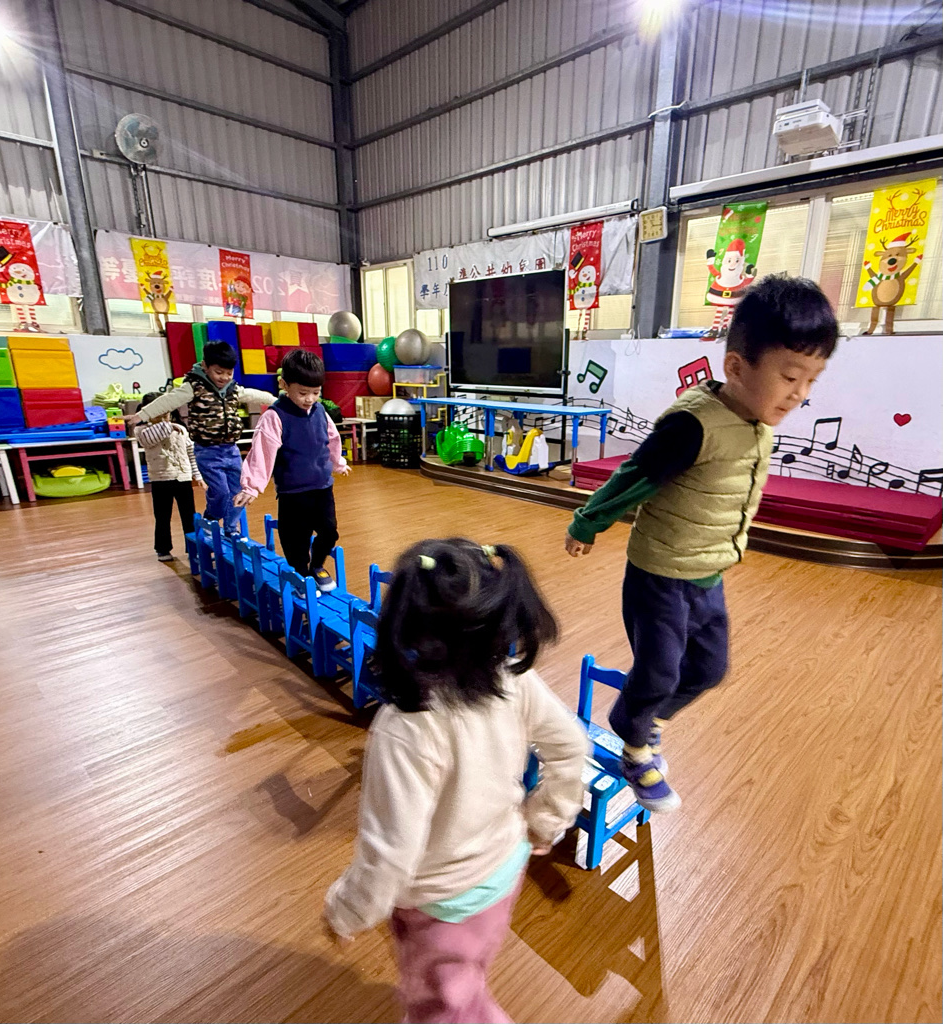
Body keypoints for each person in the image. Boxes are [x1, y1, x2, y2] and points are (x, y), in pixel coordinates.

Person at [565, 275, 839, 812]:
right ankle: (634, 742)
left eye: (811, 380)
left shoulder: (754, 418)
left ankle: (647, 720)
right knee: (659, 671)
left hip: (707, 574)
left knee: (709, 669)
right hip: (659, 575)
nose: (800, 394)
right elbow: (635, 476)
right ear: (736, 366)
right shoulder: (694, 426)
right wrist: (587, 522)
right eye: (789, 377)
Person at [324, 538, 587, 1024]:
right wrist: (545, 819)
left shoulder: (404, 728)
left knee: (444, 1008)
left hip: (441, 904)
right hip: (503, 872)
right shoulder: (514, 680)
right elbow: (572, 748)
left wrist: (347, 910)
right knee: (465, 981)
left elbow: (392, 851)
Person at [126, 341, 276, 536]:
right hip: (207, 451)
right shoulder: (194, 387)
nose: (224, 378)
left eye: (229, 373)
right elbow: (168, 400)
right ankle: (211, 519)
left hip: (231, 449)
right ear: (205, 366)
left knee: (239, 491)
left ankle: (231, 528)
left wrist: (278, 401)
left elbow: (254, 395)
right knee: (220, 493)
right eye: (219, 372)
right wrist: (142, 415)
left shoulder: (232, 389)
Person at [234, 349, 350, 592]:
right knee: (296, 541)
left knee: (329, 532)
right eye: (303, 393)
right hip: (293, 493)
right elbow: (263, 452)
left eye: (316, 393)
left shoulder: (320, 411)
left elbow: (331, 439)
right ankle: (301, 576)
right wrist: (252, 487)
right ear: (284, 384)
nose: (309, 399)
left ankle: (316, 566)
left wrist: (338, 462)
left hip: (322, 488)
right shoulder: (275, 416)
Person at [134, 394, 206, 562]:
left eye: (166, 411)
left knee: (189, 516)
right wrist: (168, 425)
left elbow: (190, 453)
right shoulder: (141, 430)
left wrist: (198, 475)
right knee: (162, 516)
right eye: (157, 412)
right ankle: (162, 548)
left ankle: (193, 549)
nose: (163, 416)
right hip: (161, 479)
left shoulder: (180, 429)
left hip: (183, 478)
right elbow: (150, 439)